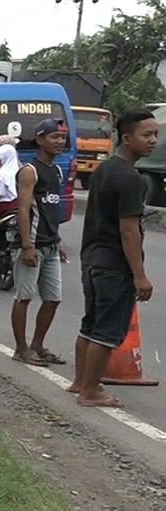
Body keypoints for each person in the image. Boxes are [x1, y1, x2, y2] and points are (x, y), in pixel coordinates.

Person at [72, 108, 159, 407]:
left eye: (156, 134)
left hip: (92, 259)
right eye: (146, 135)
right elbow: (129, 231)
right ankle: (91, 391)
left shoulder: (105, 169)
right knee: (107, 331)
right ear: (126, 138)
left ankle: (79, 382)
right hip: (113, 264)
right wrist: (139, 274)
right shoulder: (132, 179)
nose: (153, 141)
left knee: (91, 324)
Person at [11, 118, 70, 367]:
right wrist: (27, 246)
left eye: (62, 137)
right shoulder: (29, 171)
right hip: (32, 245)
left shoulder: (56, 171)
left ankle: (37, 345)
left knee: (53, 299)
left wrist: (58, 241)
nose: (59, 141)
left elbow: (50, 210)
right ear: (40, 140)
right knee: (24, 297)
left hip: (51, 245)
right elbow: (23, 210)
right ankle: (21, 349)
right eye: (53, 137)